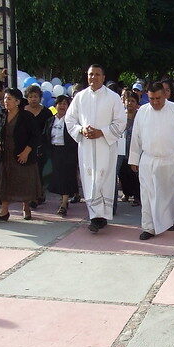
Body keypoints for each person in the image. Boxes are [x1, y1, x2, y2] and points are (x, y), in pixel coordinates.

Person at [65, 64, 127, 233]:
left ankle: (103, 215)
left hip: (105, 146)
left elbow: (121, 121)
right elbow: (70, 120)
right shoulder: (80, 97)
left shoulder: (113, 97)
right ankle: (95, 216)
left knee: (104, 178)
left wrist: (102, 132)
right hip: (86, 146)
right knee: (89, 179)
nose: (93, 77)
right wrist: (81, 130)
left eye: (97, 74)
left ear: (103, 77)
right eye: (91, 74)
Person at [128, 82, 174, 240]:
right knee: (147, 195)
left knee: (169, 195)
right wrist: (134, 159)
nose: (155, 102)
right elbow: (135, 137)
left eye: (158, 98)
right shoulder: (142, 111)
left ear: (165, 95)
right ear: (147, 97)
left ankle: (168, 220)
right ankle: (148, 227)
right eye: (151, 99)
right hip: (148, 160)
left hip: (171, 159)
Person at [0, 88, 42, 221]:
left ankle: (26, 207)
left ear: (17, 101)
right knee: (5, 181)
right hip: (6, 154)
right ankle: (4, 211)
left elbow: (35, 136)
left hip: (21, 154)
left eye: (9, 99)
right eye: (4, 98)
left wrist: (26, 152)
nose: (6, 101)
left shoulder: (26, 116)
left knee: (23, 181)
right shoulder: (2, 114)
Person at [43, 95, 79, 217]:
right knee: (57, 177)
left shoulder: (71, 121)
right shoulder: (50, 120)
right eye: (60, 103)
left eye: (65, 104)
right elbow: (45, 136)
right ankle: (63, 198)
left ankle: (64, 203)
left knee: (66, 177)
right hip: (54, 151)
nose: (62, 106)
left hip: (68, 152)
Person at [24, 84, 53, 207]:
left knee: (39, 171)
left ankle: (39, 194)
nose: (33, 99)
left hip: (42, 146)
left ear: (40, 97)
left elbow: (50, 129)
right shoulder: (22, 111)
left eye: (35, 96)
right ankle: (30, 197)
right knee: (28, 172)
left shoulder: (46, 112)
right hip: (25, 146)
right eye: (30, 97)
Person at [117, 92, 141, 207]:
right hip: (122, 150)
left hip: (135, 150)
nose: (130, 103)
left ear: (137, 104)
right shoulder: (120, 116)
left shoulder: (140, 116)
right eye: (128, 101)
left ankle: (137, 196)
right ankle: (126, 193)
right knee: (123, 173)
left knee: (135, 174)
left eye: (133, 101)